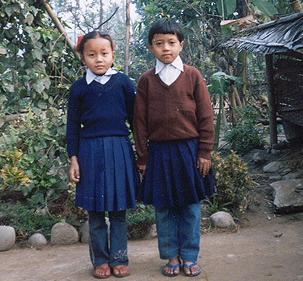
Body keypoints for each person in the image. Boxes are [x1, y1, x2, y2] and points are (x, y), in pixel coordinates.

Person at [133, 18, 214, 277]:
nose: (165, 48)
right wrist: (143, 156)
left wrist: (204, 152)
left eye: (171, 43)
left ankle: (189, 256)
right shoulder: (146, 80)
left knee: (190, 206)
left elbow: (205, 115)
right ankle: (171, 256)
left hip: (189, 151)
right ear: (151, 48)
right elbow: (139, 122)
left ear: (181, 45)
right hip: (158, 153)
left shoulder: (192, 76)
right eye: (159, 44)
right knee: (164, 208)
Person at [66, 31, 138, 279]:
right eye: (91, 54)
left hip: (119, 149)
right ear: (83, 57)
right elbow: (72, 126)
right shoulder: (78, 88)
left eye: (104, 53)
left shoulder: (124, 83)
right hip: (89, 153)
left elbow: (135, 120)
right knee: (95, 211)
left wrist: (141, 153)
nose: (98, 59)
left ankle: (119, 257)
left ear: (113, 55)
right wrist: (74, 159)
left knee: (118, 210)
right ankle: (100, 260)